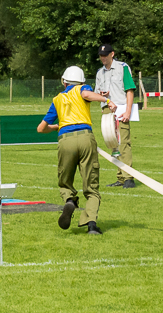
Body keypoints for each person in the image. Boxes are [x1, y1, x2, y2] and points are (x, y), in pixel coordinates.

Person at [37, 66, 116, 235]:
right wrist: (107, 100)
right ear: (81, 81)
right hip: (86, 137)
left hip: (65, 139)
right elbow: (86, 95)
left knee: (65, 182)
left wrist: (57, 126)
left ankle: (70, 201)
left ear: (64, 82)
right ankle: (92, 225)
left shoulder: (57, 99)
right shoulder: (83, 88)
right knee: (91, 187)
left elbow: (41, 128)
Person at [94, 44, 137, 188]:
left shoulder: (122, 67)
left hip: (121, 109)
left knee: (124, 143)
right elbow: (96, 94)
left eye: (105, 55)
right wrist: (102, 96)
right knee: (113, 144)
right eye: (101, 55)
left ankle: (129, 178)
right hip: (107, 110)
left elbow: (129, 90)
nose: (103, 58)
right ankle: (121, 177)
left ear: (112, 54)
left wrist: (128, 111)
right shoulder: (99, 73)